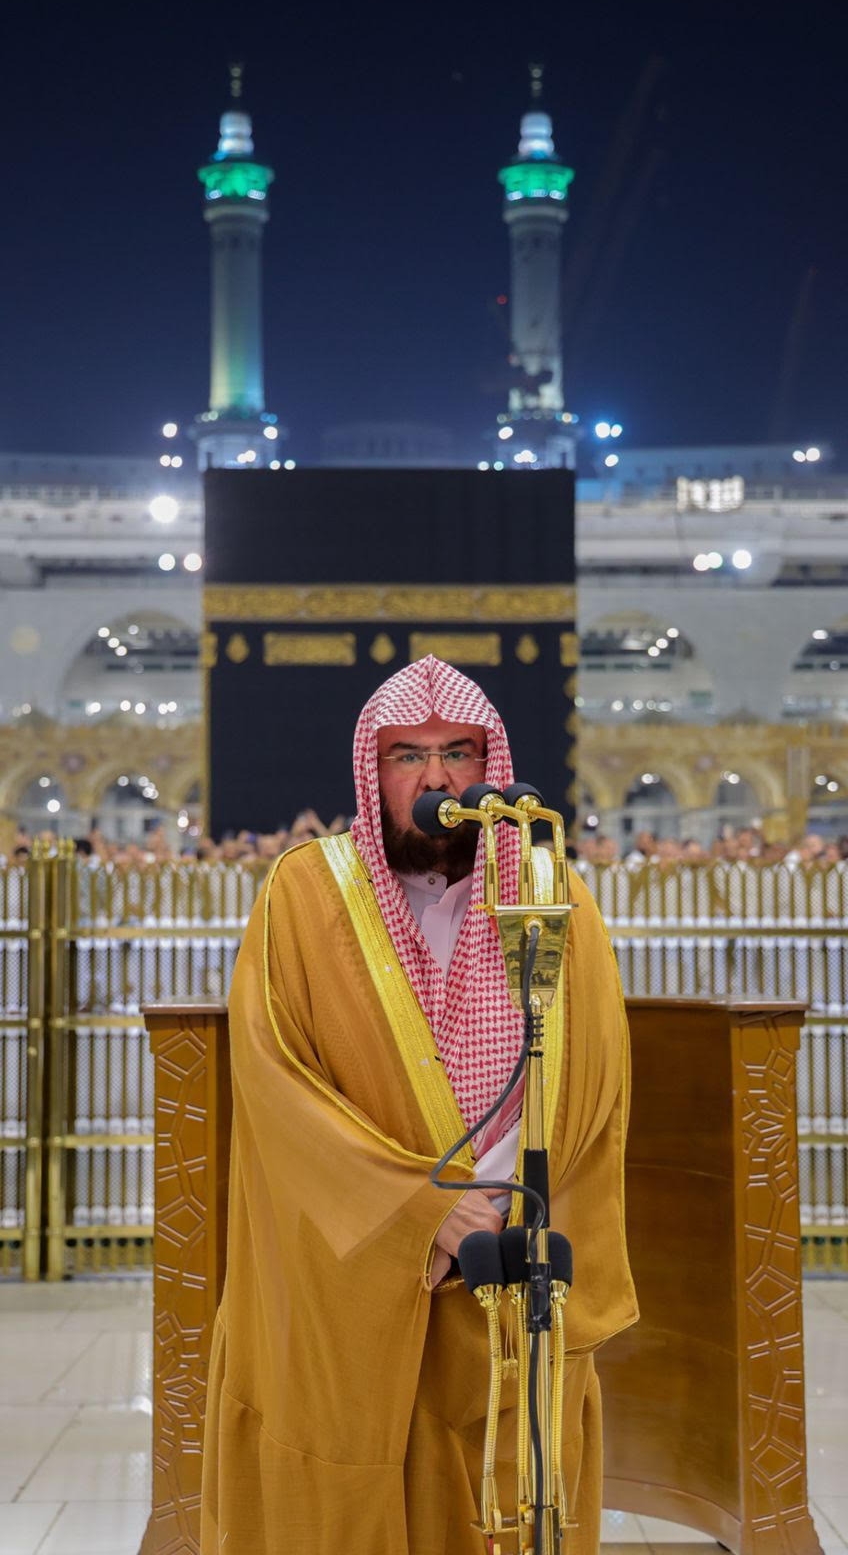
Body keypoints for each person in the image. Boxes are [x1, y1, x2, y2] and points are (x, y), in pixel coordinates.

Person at [200, 655, 637, 1555]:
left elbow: (591, 1077)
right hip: (352, 1261)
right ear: (373, 769)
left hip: (508, 1248)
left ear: (490, 766)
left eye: (456, 753)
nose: (436, 778)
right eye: (407, 755)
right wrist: (419, 1209)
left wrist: (493, 1201)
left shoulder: (553, 899)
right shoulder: (304, 895)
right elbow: (277, 1080)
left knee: (502, 1488)